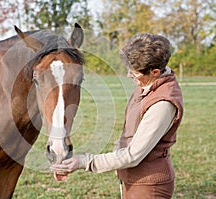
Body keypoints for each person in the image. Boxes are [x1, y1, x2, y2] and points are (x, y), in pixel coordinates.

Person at [50, 33, 184, 198]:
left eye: (134, 73)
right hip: (132, 178)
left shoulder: (163, 104)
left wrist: (84, 161)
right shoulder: (147, 84)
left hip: (149, 186)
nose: (129, 76)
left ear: (155, 72)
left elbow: (133, 155)